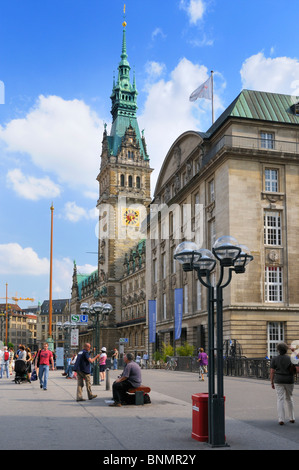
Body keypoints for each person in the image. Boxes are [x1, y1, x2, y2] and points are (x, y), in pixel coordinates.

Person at [270, 342, 295, 425]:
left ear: (278, 350)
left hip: (279, 380)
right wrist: (294, 351)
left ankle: (281, 419)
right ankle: (292, 418)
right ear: (286, 350)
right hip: (289, 380)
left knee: (280, 399)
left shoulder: (274, 359)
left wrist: (272, 382)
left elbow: (272, 372)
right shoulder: (290, 358)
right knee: (289, 398)